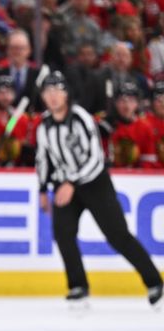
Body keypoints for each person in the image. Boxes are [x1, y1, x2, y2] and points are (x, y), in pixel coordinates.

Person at [35, 71, 163, 308]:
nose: (53, 96)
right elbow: (43, 158)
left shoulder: (81, 118)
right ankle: (78, 286)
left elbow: (96, 157)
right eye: (48, 92)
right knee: (63, 233)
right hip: (66, 186)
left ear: (66, 93)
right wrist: (43, 189)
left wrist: (71, 183)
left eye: (57, 91)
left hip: (94, 183)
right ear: (43, 96)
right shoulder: (44, 125)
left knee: (117, 235)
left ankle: (155, 282)